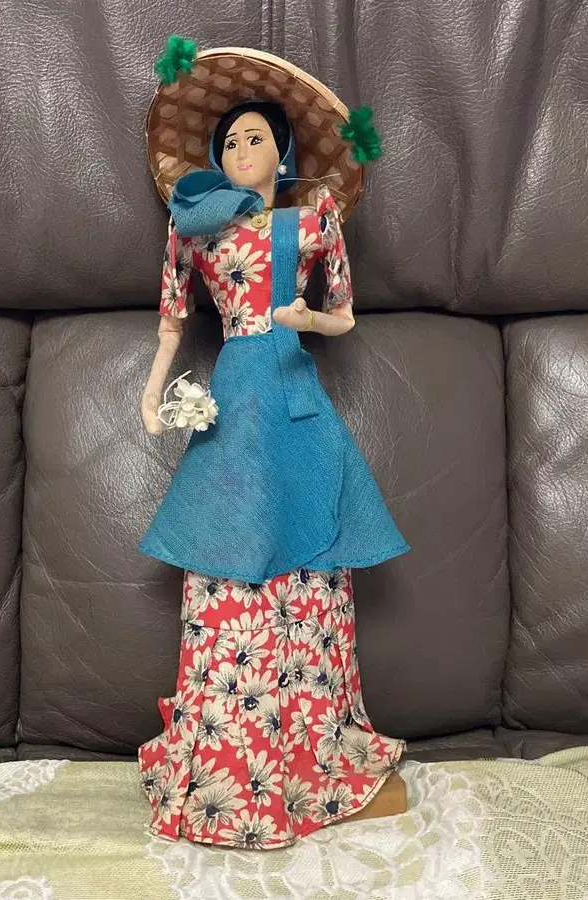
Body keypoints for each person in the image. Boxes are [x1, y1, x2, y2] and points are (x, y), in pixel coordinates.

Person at [137, 39, 411, 850]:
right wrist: (152, 392)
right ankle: (229, 756)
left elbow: (345, 315)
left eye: (255, 137)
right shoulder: (194, 230)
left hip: (294, 400)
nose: (239, 150)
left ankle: (314, 750)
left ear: (284, 152)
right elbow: (172, 321)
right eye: (228, 142)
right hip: (233, 403)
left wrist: (308, 318)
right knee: (222, 560)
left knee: (313, 565)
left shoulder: (313, 221)